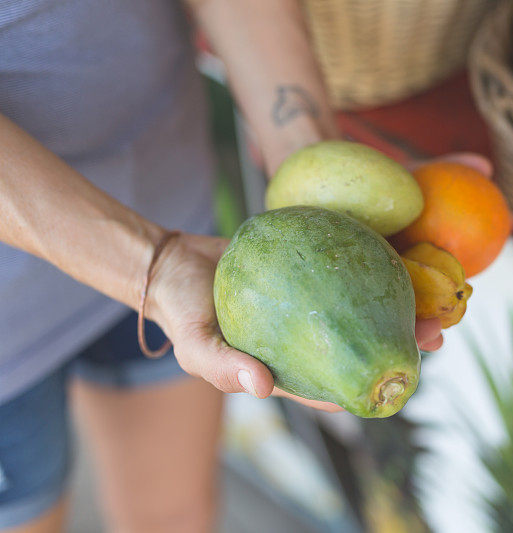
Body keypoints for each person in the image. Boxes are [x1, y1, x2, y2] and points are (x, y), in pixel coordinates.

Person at [0, 1, 460, 531]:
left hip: (178, 226)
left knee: (173, 517)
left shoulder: (215, 271)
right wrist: (151, 262)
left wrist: (308, 159)